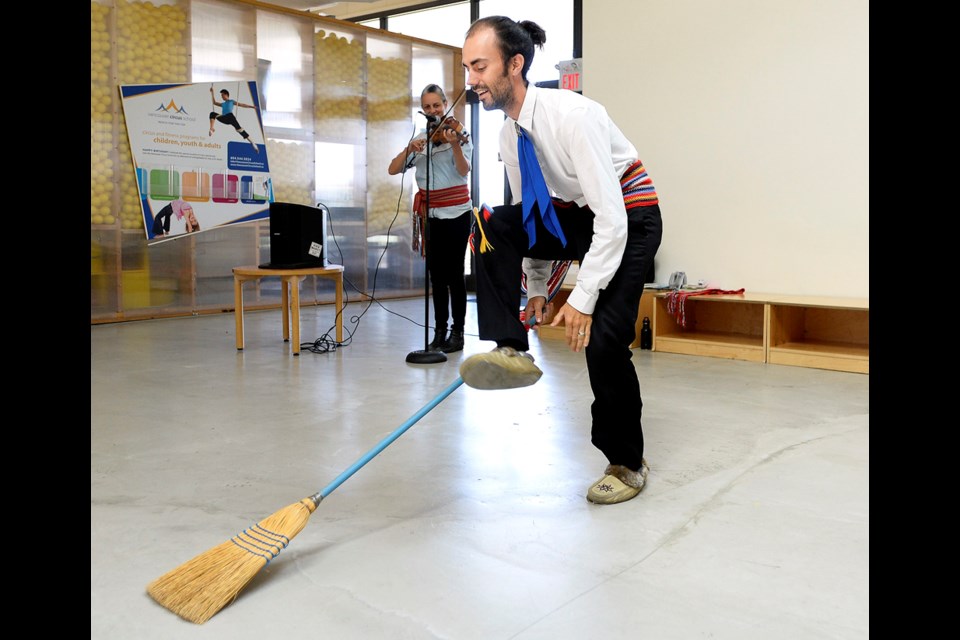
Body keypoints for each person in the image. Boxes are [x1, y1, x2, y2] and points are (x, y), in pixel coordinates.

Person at [458, 17, 663, 505]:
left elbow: (612, 220)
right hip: (577, 217)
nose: (471, 81)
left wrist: (584, 299)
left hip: (630, 217)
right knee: (488, 222)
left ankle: (627, 462)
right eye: (467, 68)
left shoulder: (574, 116)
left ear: (515, 64)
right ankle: (512, 346)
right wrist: (535, 291)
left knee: (605, 339)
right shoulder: (511, 135)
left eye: (480, 66)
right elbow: (531, 221)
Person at [388, 84, 474, 353]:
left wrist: (455, 146)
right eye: (427, 107)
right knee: (436, 275)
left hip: (457, 213)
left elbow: (463, 170)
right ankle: (439, 332)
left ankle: (457, 333)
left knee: (454, 274)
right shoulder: (422, 138)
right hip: (431, 215)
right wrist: (408, 149)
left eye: (437, 105)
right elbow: (393, 169)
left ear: (445, 103)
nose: (432, 111)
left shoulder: (460, 134)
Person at [209, 87, 259, 153]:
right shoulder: (223, 104)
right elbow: (214, 102)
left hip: (230, 117)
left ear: (226, 95)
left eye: (222, 95)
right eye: (221, 96)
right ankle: (212, 128)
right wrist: (212, 92)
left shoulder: (231, 101)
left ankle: (253, 143)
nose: (222, 97)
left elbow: (242, 105)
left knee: (240, 130)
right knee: (212, 114)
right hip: (224, 118)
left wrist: (252, 107)